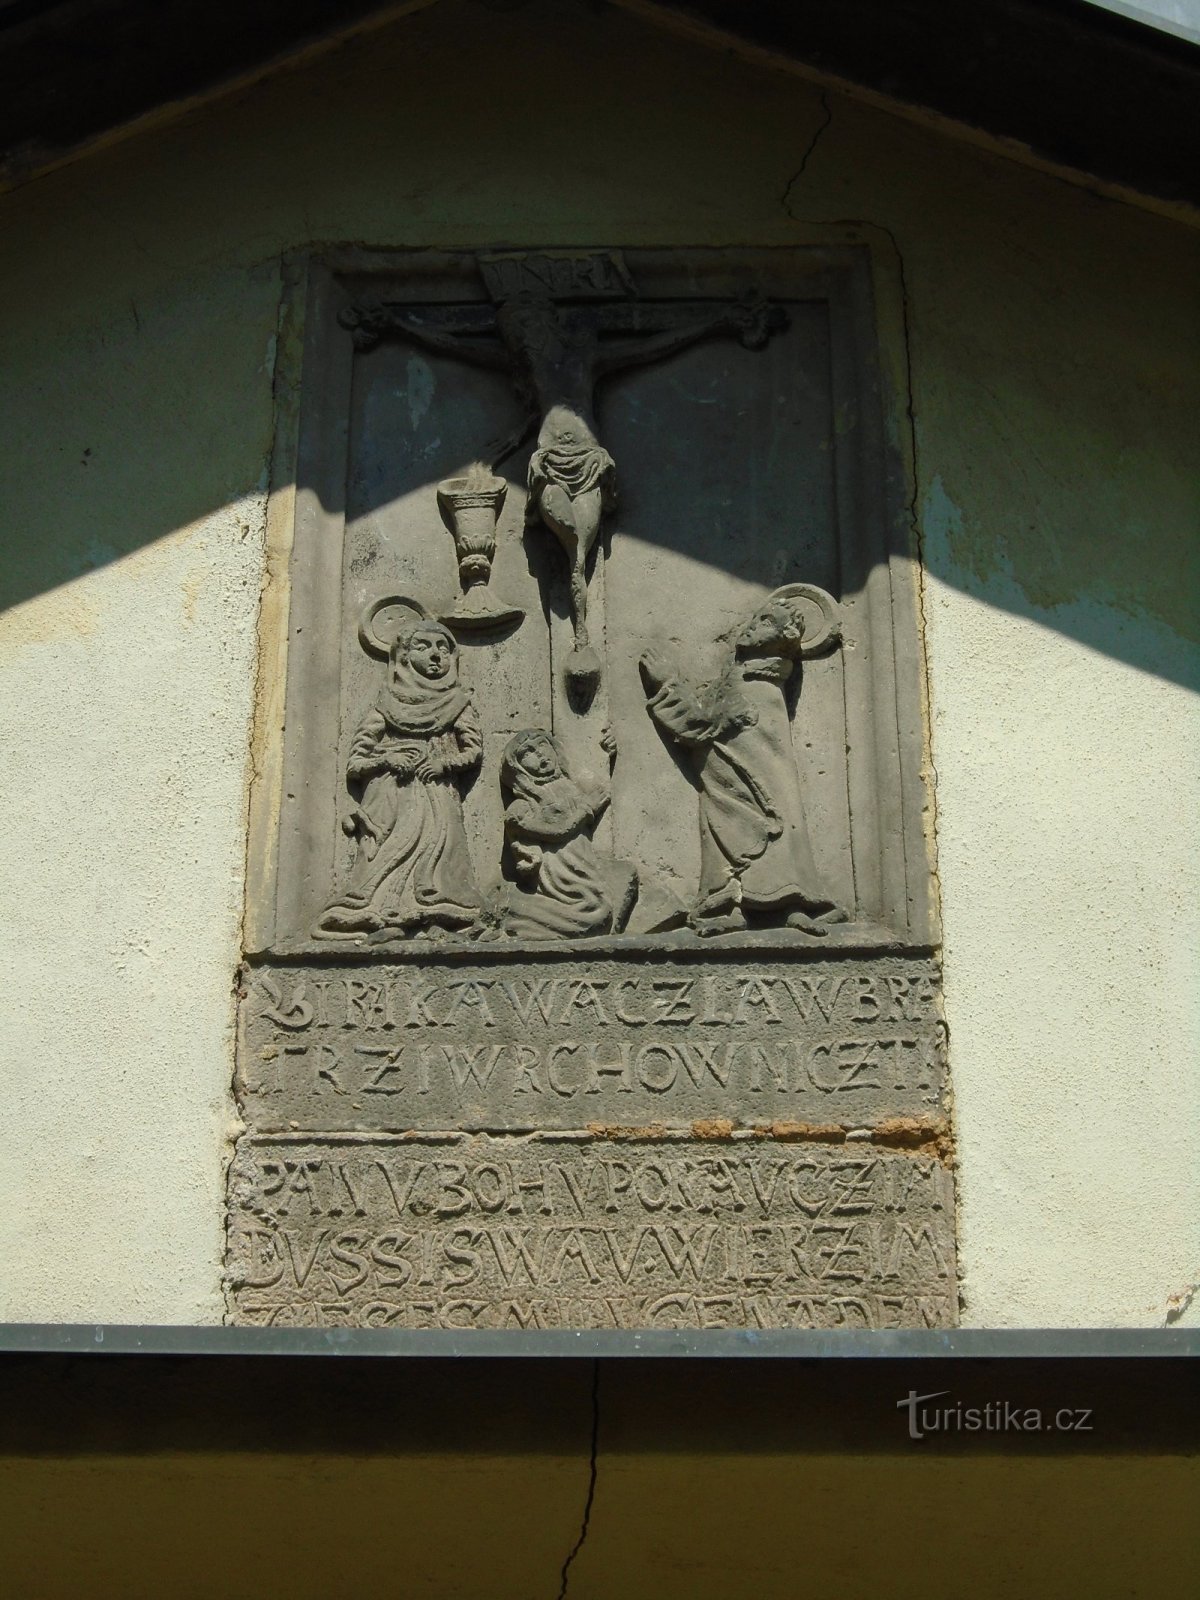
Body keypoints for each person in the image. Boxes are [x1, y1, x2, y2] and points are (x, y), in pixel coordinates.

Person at [640, 593, 847, 936]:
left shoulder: (755, 684)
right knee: (747, 831)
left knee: (753, 831)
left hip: (744, 785)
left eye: (765, 622)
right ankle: (759, 907)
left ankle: (773, 906)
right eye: (755, 618)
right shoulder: (753, 678)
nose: (752, 626)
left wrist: (666, 683)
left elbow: (702, 725)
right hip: (731, 780)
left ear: (787, 637)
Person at [315, 622, 482, 939]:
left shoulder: (458, 703)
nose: (435, 655)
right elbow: (357, 760)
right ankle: (376, 915)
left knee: (437, 857)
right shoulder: (387, 703)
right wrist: (386, 759)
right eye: (424, 647)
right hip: (393, 795)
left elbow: (473, 750)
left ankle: (438, 917)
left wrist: (443, 763)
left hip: (437, 792)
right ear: (404, 656)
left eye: (443, 648)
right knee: (390, 852)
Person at [498, 728, 636, 939]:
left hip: (584, 866)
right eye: (527, 753)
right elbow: (557, 831)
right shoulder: (523, 806)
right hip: (560, 876)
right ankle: (513, 910)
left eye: (542, 744)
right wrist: (585, 810)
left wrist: (608, 753)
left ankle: (517, 912)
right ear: (517, 769)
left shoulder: (568, 787)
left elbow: (601, 791)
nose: (539, 754)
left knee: (604, 907)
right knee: (596, 914)